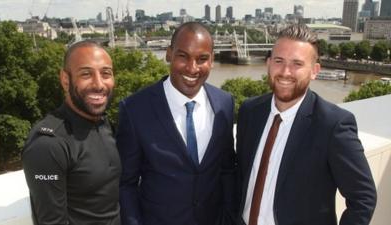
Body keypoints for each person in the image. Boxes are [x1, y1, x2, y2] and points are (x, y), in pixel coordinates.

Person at [236, 24, 377, 225]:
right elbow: (240, 176)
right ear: (268, 63)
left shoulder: (333, 125)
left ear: (314, 71)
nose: (285, 72)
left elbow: (363, 198)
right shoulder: (250, 111)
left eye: (297, 64)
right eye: (279, 61)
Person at [116, 22, 236, 225]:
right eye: (183, 56)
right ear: (169, 54)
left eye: (202, 59)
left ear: (212, 60)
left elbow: (226, 170)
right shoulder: (135, 109)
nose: (192, 68)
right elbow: (125, 184)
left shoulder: (225, 103)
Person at [22, 40, 121, 225]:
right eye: (86, 74)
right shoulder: (48, 144)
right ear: (65, 80)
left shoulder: (105, 125)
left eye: (106, 73)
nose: (99, 84)